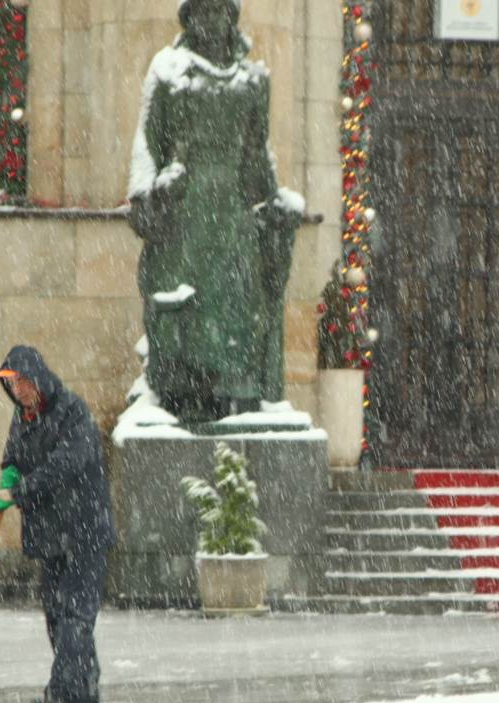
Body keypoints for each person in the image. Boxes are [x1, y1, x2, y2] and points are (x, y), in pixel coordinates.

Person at [127, 0, 302, 421]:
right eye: (200, 12)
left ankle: (235, 392)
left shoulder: (252, 79)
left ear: (231, 16)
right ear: (188, 19)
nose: (209, 21)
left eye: (217, 11)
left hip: (232, 211)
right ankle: (177, 391)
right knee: (183, 304)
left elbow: (259, 153)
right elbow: (147, 141)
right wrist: (145, 191)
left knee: (236, 305)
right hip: (185, 207)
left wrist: (274, 200)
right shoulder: (168, 69)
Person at [0, 345, 116, 703]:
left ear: (40, 379)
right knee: (57, 617)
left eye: (24, 383)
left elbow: (69, 461)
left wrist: (23, 490)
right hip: (51, 536)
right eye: (13, 385)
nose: (20, 391)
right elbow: (14, 455)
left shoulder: (71, 411)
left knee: (76, 618)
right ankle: (78, 695)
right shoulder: (24, 418)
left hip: (84, 532)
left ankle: (66, 698)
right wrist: (10, 472)